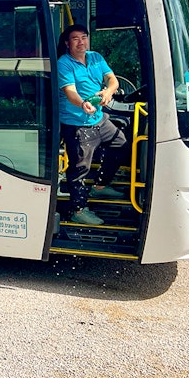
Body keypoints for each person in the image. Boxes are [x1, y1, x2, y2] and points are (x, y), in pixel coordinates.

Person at [58, 24, 127, 226]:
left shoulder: (95, 57)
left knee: (121, 144)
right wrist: (82, 104)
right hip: (77, 124)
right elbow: (70, 92)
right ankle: (78, 210)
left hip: (99, 119)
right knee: (80, 168)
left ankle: (100, 186)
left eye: (84, 37)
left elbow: (112, 80)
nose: (81, 42)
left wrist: (108, 92)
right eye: (75, 39)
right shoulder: (64, 63)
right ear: (67, 43)